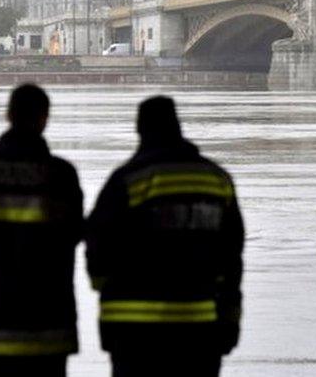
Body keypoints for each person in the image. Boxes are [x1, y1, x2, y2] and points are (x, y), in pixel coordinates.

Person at [86, 96, 244, 377]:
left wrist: (105, 287)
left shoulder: (127, 180)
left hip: (132, 330)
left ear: (140, 129)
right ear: (177, 126)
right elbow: (232, 257)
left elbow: (97, 244)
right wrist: (230, 319)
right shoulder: (217, 180)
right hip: (198, 324)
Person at [0, 84, 83, 377]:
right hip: (48, 323)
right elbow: (75, 233)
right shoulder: (61, 175)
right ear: (45, 117)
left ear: (8, 115)